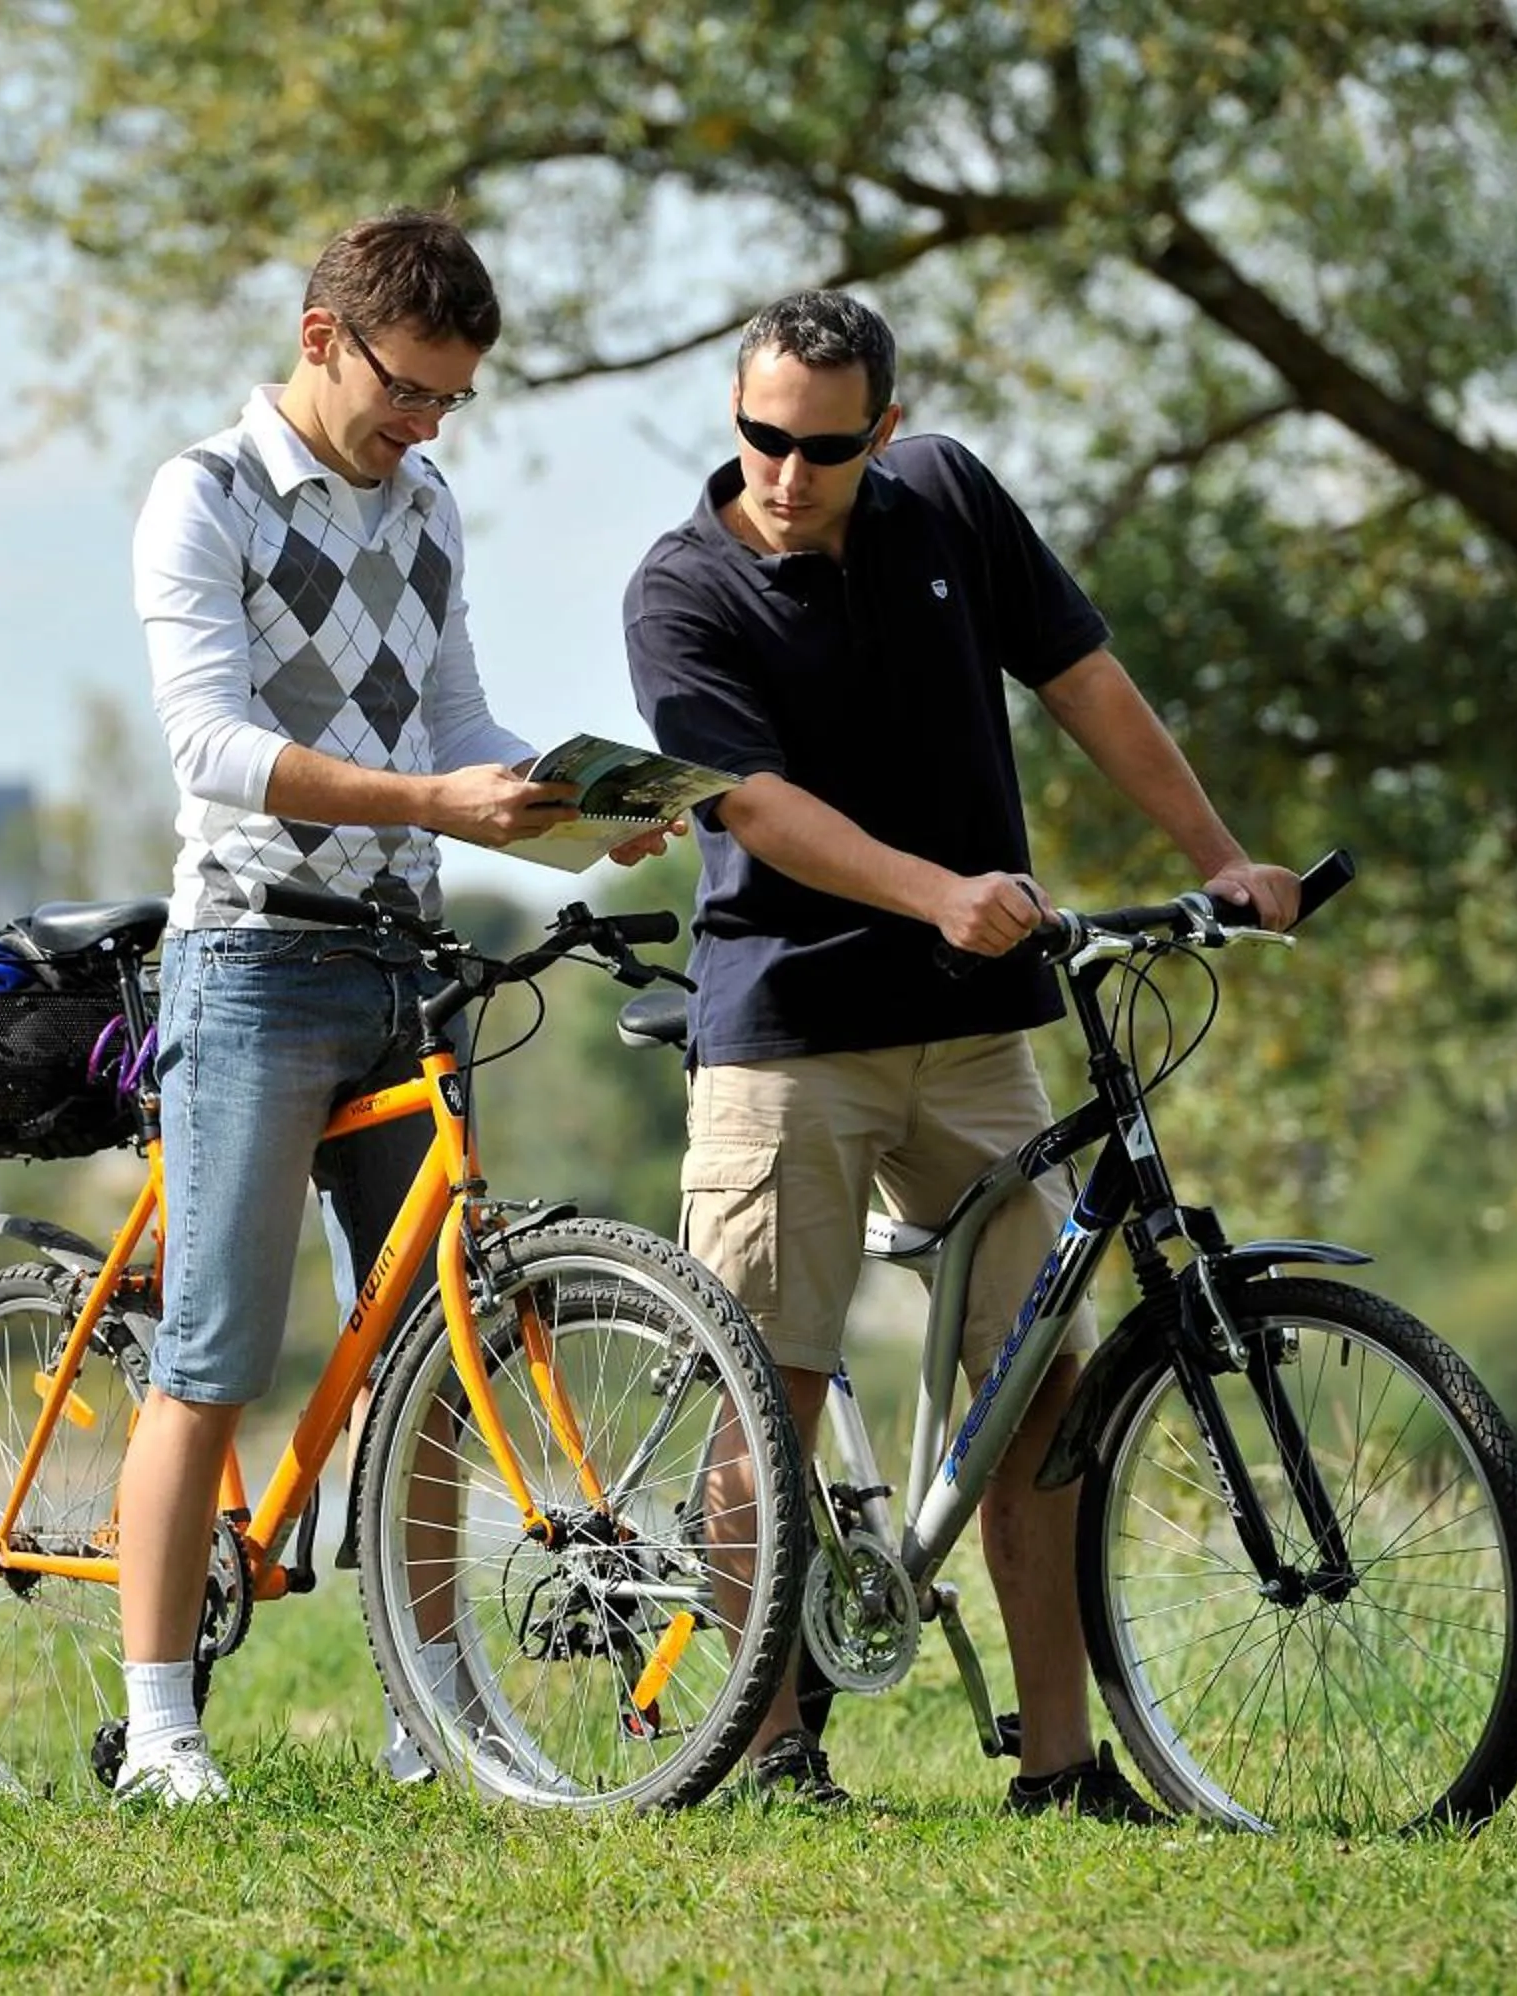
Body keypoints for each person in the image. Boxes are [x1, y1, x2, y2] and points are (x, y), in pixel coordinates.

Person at [622, 289, 1300, 1819]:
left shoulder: (949, 501)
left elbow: (1083, 682)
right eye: (757, 437)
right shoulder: (681, 592)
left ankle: (1061, 1766)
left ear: (890, 429)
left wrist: (1221, 855)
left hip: (982, 1036)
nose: (783, 474)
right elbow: (758, 810)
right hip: (790, 1035)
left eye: (823, 446)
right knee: (767, 1387)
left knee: (1037, 1395)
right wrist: (940, 892)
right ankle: (774, 1747)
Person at [117, 208, 668, 1807]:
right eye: (407, 391)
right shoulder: (202, 496)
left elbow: (460, 726)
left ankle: (428, 1716)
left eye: (450, 402)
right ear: (321, 340)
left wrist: (580, 807)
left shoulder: (425, 508)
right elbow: (210, 745)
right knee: (215, 1349)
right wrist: (434, 800)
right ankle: (162, 1731)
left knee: (435, 1350)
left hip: (403, 962)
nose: (424, 426)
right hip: (250, 960)